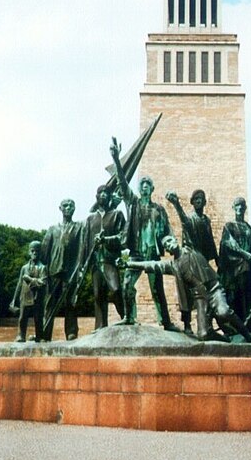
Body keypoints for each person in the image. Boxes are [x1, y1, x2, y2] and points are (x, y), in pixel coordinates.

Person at [126, 235, 251, 343]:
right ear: (167, 251)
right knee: (203, 334)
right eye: (166, 246)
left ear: (176, 240)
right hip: (200, 298)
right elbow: (152, 265)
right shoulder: (174, 265)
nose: (169, 245)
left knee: (223, 312)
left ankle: (249, 337)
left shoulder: (191, 248)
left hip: (213, 289)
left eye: (170, 241)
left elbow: (186, 222)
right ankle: (223, 338)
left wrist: (177, 205)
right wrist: (128, 263)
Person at [109, 140, 178, 331]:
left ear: (152, 189)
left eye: (148, 184)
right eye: (142, 184)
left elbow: (166, 233)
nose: (145, 186)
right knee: (127, 284)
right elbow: (122, 183)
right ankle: (130, 317)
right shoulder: (133, 203)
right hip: (137, 253)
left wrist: (171, 242)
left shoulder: (159, 210)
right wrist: (116, 159)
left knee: (157, 290)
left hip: (153, 254)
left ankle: (165, 321)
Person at [166, 189, 219, 333]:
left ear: (205, 202)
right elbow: (185, 222)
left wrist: (216, 260)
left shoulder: (206, 220)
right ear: (192, 202)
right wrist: (177, 205)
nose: (199, 201)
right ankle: (187, 324)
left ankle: (208, 324)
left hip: (201, 260)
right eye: (196, 199)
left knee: (207, 293)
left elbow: (210, 242)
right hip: (189, 260)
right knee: (186, 294)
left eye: (201, 198)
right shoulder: (191, 218)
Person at [82, 185, 125, 330]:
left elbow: (123, 238)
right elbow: (85, 243)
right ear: (96, 197)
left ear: (110, 196)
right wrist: (83, 264)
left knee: (116, 289)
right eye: (100, 193)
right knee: (98, 295)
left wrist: (106, 239)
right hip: (95, 261)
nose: (103, 195)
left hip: (110, 260)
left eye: (106, 193)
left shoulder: (116, 214)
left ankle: (126, 317)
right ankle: (100, 326)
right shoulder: (90, 219)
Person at [41, 198, 84, 341]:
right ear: (60, 208)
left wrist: (78, 270)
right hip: (53, 271)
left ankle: (71, 332)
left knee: (70, 303)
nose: (68, 208)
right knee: (49, 303)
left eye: (71, 205)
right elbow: (44, 253)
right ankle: (45, 334)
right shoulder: (52, 229)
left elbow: (81, 250)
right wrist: (44, 272)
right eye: (65, 205)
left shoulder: (79, 228)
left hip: (70, 272)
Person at [219, 197, 251, 332]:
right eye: (237, 205)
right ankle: (234, 326)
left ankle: (247, 326)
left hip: (248, 267)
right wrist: (243, 253)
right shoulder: (229, 226)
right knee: (235, 295)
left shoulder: (248, 227)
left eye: (242, 206)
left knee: (249, 295)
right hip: (234, 268)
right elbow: (228, 243)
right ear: (233, 207)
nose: (240, 208)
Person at [9, 240, 47, 343]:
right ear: (29, 252)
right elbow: (19, 284)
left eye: (37, 251)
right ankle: (21, 335)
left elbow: (43, 283)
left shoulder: (43, 268)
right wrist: (14, 299)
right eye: (33, 251)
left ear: (40, 253)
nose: (35, 253)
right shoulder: (24, 268)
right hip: (25, 296)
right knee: (22, 318)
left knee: (38, 319)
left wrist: (30, 279)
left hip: (37, 298)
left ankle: (39, 336)